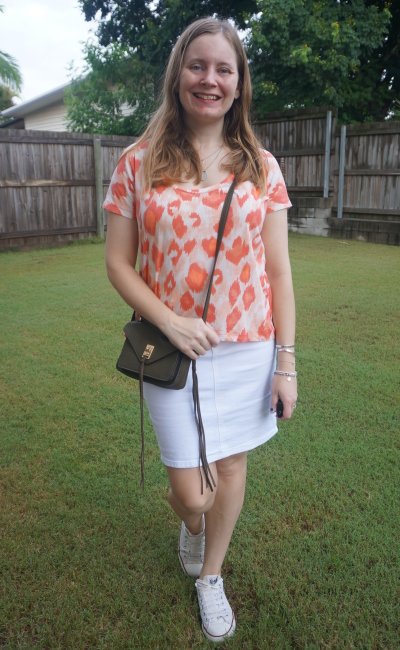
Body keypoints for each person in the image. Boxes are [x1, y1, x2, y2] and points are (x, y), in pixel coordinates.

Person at [104, 17, 297, 643]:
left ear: (239, 85)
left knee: (232, 465)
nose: (209, 80)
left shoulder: (260, 166)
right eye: (198, 66)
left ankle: (211, 575)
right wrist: (170, 320)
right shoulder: (139, 160)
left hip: (247, 346)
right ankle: (192, 526)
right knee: (192, 493)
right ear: (178, 75)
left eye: (224, 69)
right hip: (168, 345)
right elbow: (117, 262)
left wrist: (286, 363)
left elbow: (278, 270)